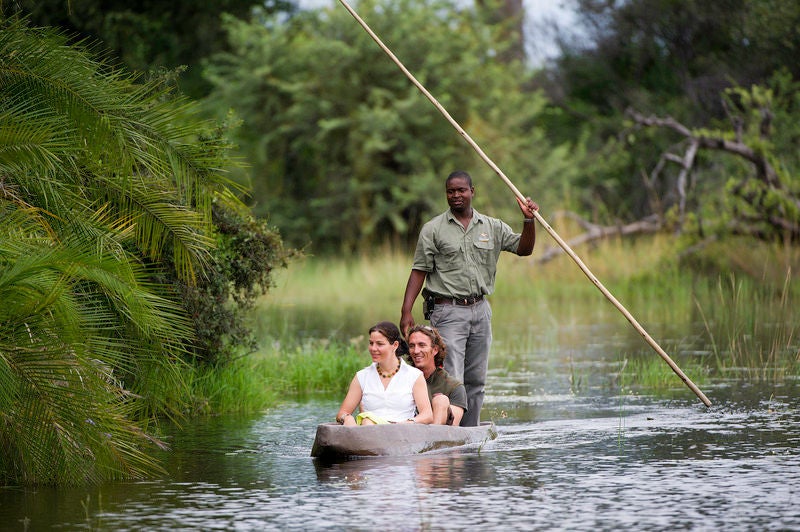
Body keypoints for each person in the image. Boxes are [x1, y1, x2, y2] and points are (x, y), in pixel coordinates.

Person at [400, 170, 538, 426]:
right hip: (447, 311)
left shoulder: (492, 226)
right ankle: (447, 432)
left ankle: (469, 432)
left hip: (480, 310)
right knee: (452, 378)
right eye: (451, 191)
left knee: (477, 379)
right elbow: (419, 271)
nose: (456, 195)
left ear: (472, 192)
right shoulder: (433, 229)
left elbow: (524, 249)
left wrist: (529, 221)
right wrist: (406, 311)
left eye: (461, 190)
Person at [336, 321, 433, 426]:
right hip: (367, 430)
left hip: (402, 432)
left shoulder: (414, 375)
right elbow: (342, 413)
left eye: (379, 344)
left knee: (367, 422)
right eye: (371, 343)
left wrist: (406, 423)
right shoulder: (362, 376)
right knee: (367, 421)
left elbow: (427, 415)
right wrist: (347, 417)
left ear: (395, 345)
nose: (373, 348)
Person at [406, 324, 467, 426]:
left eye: (422, 345)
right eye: (412, 346)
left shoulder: (454, 387)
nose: (416, 351)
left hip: (438, 435)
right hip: (402, 432)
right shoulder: (400, 379)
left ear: (435, 350)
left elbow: (453, 430)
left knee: (440, 400)